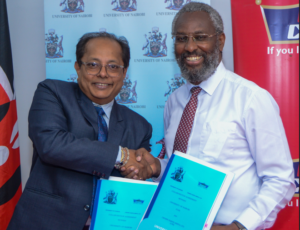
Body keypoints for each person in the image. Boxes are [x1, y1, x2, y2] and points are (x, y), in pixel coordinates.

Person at [134, 3, 296, 230]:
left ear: (220, 41)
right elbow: (181, 167)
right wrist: (157, 168)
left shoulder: (250, 99)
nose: (190, 47)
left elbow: (281, 179)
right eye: (181, 38)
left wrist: (240, 227)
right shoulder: (174, 101)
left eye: (200, 37)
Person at [8, 32, 153, 230]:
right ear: (77, 67)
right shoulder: (53, 93)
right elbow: (52, 145)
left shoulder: (140, 126)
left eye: (113, 66)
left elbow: (136, 178)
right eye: (93, 65)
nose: (103, 73)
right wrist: (122, 155)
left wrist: (139, 170)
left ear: (124, 72)